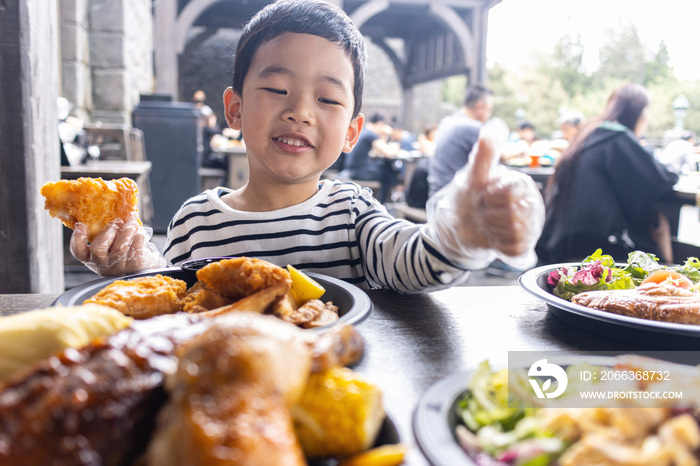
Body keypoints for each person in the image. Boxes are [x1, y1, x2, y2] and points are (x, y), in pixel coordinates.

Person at [69, 0, 543, 292]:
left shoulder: (352, 214)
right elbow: (173, 298)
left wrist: (463, 231)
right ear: (234, 109)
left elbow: (415, 265)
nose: (300, 111)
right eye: (276, 90)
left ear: (352, 132)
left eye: (328, 98)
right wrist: (136, 266)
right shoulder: (195, 221)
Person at [536, 83, 679, 265]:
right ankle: (669, 284)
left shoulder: (588, 133)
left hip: (557, 241)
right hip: (595, 245)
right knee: (659, 224)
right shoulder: (618, 138)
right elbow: (660, 179)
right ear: (639, 113)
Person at [428, 84, 493, 196]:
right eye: (489, 110)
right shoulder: (472, 126)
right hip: (452, 198)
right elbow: (496, 156)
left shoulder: (447, 121)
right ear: (480, 107)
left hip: (435, 193)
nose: (489, 115)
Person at [337, 113, 399, 203]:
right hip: (359, 172)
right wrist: (393, 141)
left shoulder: (363, 131)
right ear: (380, 124)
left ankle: (385, 200)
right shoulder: (371, 134)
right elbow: (389, 153)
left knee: (385, 168)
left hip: (351, 170)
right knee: (386, 171)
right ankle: (383, 202)